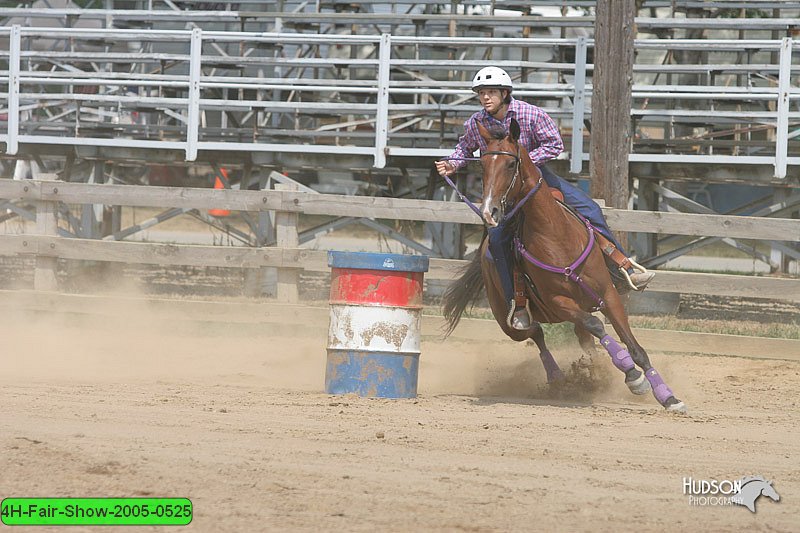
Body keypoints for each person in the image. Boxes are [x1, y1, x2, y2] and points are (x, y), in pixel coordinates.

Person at [435, 66, 654, 331]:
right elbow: (464, 148)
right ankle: (517, 303)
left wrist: (523, 164)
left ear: (505, 93)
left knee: (590, 209)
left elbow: (554, 144)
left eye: (491, 92)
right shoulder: (476, 124)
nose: (485, 98)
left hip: (538, 180)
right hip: (505, 190)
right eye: (481, 93)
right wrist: (452, 164)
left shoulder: (531, 114)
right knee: (496, 243)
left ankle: (622, 267)